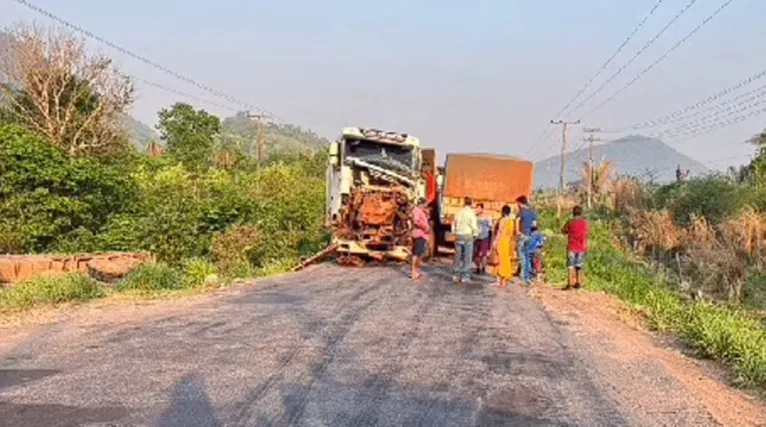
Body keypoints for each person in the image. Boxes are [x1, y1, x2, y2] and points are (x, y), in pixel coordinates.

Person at [562, 205, 589, 290]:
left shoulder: (570, 221)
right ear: (581, 213)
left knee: (570, 266)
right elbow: (586, 232)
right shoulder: (584, 222)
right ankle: (579, 284)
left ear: (573, 213)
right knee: (579, 266)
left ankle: (570, 284)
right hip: (581, 247)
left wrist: (569, 232)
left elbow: (563, 230)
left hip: (571, 246)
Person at [452, 197, 479, 284]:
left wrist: (454, 233)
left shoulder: (459, 212)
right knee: (467, 257)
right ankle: (465, 276)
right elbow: (474, 225)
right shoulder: (471, 213)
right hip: (467, 235)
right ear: (471, 203)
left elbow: (454, 223)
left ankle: (456, 275)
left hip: (458, 235)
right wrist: (475, 235)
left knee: (458, 256)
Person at [492, 204, 519, 288]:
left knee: (499, 260)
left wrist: (495, 242)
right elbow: (513, 234)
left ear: (503, 212)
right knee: (506, 261)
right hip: (509, 242)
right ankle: (504, 281)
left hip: (502, 242)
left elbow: (499, 232)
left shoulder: (502, 220)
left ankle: (498, 280)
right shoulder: (511, 221)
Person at [515, 195, 537, 285]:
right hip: (529, 236)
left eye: (517, 203)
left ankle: (523, 277)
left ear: (520, 203)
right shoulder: (532, 213)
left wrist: (517, 232)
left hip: (522, 236)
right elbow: (534, 225)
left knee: (522, 257)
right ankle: (527, 276)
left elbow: (517, 222)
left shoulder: (521, 212)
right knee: (527, 256)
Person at [411, 198, 430, 281]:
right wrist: (425, 227)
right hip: (419, 234)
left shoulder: (420, 210)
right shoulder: (417, 210)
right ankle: (414, 272)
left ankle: (416, 271)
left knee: (419, 253)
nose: (426, 205)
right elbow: (416, 221)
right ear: (422, 203)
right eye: (425, 203)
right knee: (416, 253)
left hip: (422, 234)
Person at [473, 203, 493, 275]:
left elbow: (491, 228)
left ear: (482, 209)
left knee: (483, 254)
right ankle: (478, 268)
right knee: (476, 254)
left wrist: (491, 239)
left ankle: (483, 268)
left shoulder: (487, 217)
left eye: (478, 208)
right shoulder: (474, 217)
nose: (477, 210)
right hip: (476, 238)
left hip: (484, 237)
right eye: (476, 208)